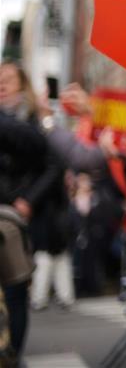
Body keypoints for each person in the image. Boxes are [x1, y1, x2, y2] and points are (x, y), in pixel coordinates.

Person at [0, 61, 65, 361]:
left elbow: (53, 165)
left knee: (14, 290)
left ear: (21, 84)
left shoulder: (33, 120)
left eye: (8, 79)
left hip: (15, 217)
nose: (2, 83)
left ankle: (13, 354)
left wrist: (29, 200)